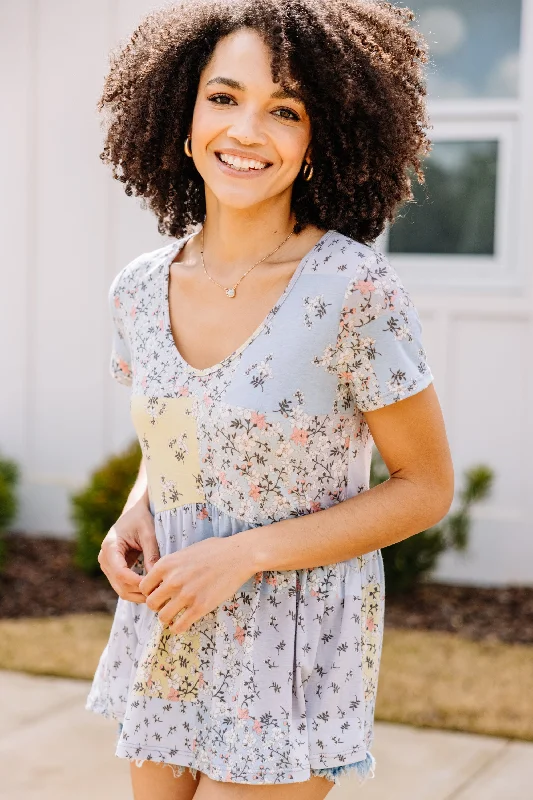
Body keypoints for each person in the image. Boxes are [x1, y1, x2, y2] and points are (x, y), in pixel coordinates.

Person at [85, 1, 454, 798]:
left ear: (320, 138)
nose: (245, 130)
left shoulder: (353, 290)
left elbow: (425, 488)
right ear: (181, 116)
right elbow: (176, 441)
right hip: (172, 627)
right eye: (223, 98)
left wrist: (244, 554)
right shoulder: (140, 292)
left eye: (283, 110)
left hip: (292, 647)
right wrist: (136, 509)